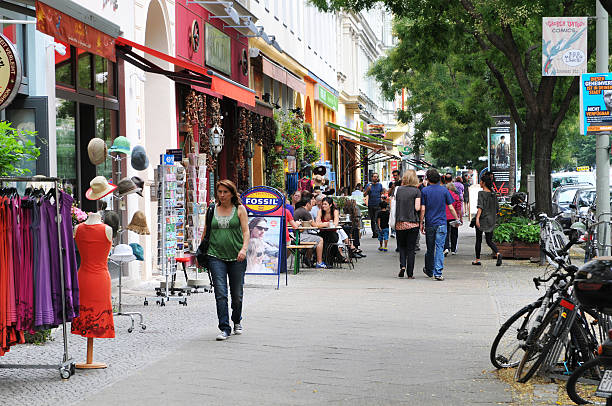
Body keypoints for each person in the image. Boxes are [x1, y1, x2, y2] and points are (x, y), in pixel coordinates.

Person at [204, 180, 250, 341]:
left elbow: (246, 232)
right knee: (220, 293)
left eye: (225, 192)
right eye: (220, 192)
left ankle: (237, 319)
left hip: (237, 257)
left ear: (232, 193)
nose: (222, 195)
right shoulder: (211, 210)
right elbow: (205, 233)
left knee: (237, 294)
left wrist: (243, 249)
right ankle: (224, 327)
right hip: (215, 256)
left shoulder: (240, 209)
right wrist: (201, 254)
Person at [420, 169, 459, 281]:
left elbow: (423, 209)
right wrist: (457, 219)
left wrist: (421, 223)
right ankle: (438, 272)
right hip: (442, 223)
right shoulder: (444, 190)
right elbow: (451, 207)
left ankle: (429, 269)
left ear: (428, 179)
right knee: (440, 247)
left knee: (430, 248)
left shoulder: (425, 191)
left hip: (430, 223)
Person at [394, 170, 421, 278]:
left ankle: (402, 266)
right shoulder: (416, 191)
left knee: (402, 247)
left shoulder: (399, 190)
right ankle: (410, 273)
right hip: (412, 223)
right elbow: (417, 208)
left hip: (400, 223)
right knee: (411, 249)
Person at [473, 172, 502, 267]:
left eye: (481, 182)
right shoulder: (493, 194)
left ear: (484, 183)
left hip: (482, 219)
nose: (480, 183)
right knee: (489, 240)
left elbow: (480, 207)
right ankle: (498, 253)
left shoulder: (481, 193)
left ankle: (477, 260)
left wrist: (477, 218)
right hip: (491, 219)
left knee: (478, 239)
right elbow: (497, 209)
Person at [293, 197, 328, 268]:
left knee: (313, 238)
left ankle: (308, 259)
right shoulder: (305, 212)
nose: (312, 206)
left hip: (295, 235)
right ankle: (319, 262)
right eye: (312, 204)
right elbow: (315, 225)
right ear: (307, 204)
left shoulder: (299, 210)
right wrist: (325, 224)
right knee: (320, 240)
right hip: (298, 236)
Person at [444, 182, 463, 255]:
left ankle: (446, 248)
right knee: (454, 233)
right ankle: (453, 249)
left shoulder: (444, 195)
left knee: (445, 232)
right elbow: (459, 208)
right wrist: (460, 218)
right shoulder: (456, 196)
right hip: (453, 216)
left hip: (444, 216)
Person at [364, 173, 383, 238]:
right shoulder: (368, 185)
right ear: (372, 178)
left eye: (377, 177)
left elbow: (381, 194)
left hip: (378, 204)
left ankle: (378, 232)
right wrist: (367, 190)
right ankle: (374, 233)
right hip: (371, 204)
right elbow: (364, 195)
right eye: (374, 177)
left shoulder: (380, 185)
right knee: (372, 219)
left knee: (378, 218)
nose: (375, 178)